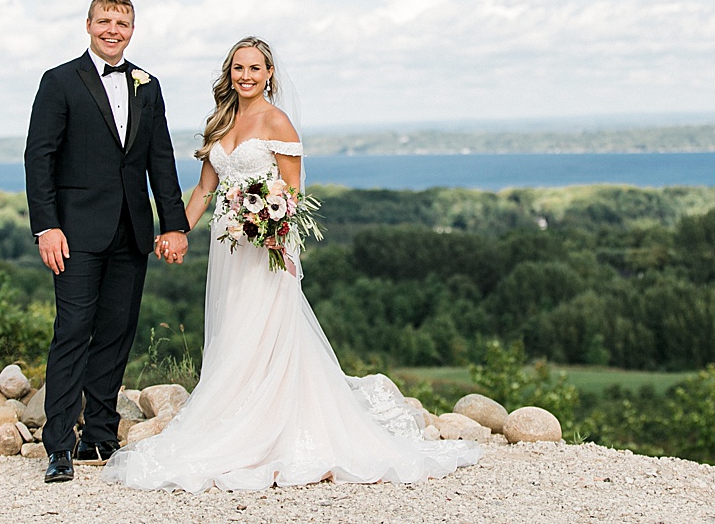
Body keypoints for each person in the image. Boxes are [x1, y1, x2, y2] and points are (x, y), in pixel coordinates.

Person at [101, 37, 480, 492]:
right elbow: (204, 189)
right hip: (229, 247)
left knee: (263, 331)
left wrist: (269, 226)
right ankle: (235, 416)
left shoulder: (278, 121)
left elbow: (293, 193)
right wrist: (178, 230)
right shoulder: (220, 122)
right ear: (230, 72)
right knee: (231, 329)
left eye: (255, 69)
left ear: (269, 75)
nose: (246, 76)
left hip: (267, 249)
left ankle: (271, 431)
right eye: (239, 68)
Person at [24, 0, 191, 484]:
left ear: (132, 30)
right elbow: (40, 158)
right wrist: (46, 225)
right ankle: (58, 446)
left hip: (131, 232)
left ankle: (100, 433)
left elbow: (161, 159)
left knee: (117, 334)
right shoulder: (58, 82)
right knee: (73, 332)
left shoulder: (148, 84)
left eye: (122, 22)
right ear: (89, 25)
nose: (113, 29)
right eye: (105, 20)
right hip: (73, 233)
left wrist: (174, 224)